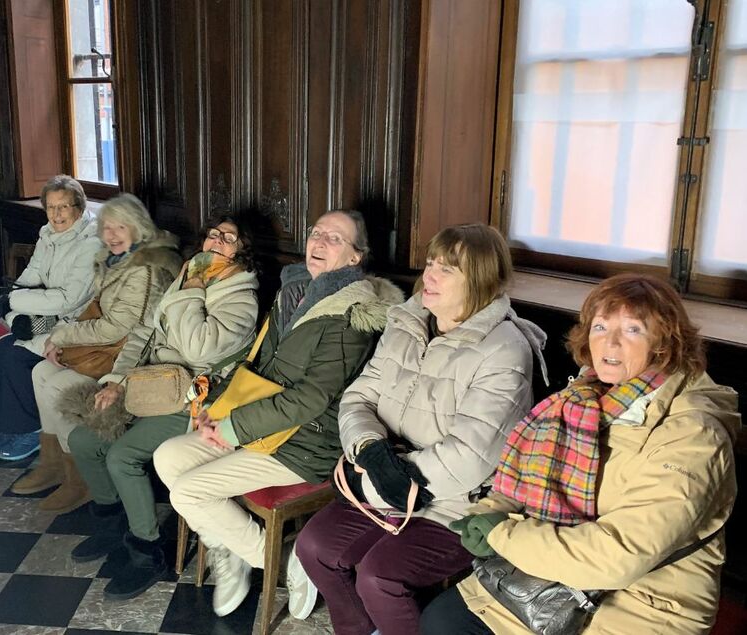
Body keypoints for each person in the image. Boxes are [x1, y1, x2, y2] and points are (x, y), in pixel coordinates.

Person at [420, 273, 741, 635]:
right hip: (552, 580)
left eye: (633, 330)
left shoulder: (693, 434)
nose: (611, 343)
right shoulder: (583, 397)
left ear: (664, 343)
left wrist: (503, 535)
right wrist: (491, 512)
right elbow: (527, 480)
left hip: (640, 604)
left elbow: (620, 554)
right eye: (601, 326)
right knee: (442, 619)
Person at [291, 223, 547, 634]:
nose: (428, 276)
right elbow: (359, 398)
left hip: (453, 501)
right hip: (381, 474)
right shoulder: (407, 322)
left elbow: (471, 456)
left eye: (446, 269)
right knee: (314, 547)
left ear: (479, 280)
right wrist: (371, 450)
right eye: (430, 263)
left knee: (380, 576)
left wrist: (397, 476)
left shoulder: (504, 351)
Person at [153, 210, 404, 617]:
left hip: (306, 442)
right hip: (263, 425)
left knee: (187, 492)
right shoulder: (296, 289)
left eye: (335, 239)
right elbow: (257, 367)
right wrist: (216, 409)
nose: (319, 242)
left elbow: (310, 399)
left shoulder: (353, 314)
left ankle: (286, 562)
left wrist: (232, 427)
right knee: (167, 456)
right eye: (316, 233)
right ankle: (234, 548)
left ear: (356, 257)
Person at [66, 213, 260, 600]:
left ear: (243, 254)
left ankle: (147, 549)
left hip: (192, 400)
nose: (215, 242)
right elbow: (143, 333)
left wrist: (190, 289)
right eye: (211, 235)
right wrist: (116, 383)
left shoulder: (241, 297)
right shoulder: (189, 276)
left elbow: (197, 349)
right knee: (83, 440)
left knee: (122, 456)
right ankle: (113, 521)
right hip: (147, 386)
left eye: (227, 238)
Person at [10, 193, 181, 513]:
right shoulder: (117, 258)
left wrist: (62, 334)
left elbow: (119, 328)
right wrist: (64, 340)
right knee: (39, 371)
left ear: (138, 229)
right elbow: (95, 313)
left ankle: (82, 478)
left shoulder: (144, 267)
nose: (112, 234)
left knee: (59, 385)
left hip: (134, 357)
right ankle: (55, 463)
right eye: (107, 227)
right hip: (104, 348)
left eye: (121, 228)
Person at [0, 175, 101, 461]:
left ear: (78, 207)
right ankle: (12, 428)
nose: (56, 214)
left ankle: (31, 431)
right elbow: (32, 276)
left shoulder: (91, 242)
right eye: (50, 207)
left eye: (63, 207)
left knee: (15, 357)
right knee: (0, 350)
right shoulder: (47, 234)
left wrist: (11, 300)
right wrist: (12, 300)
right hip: (45, 316)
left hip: (75, 323)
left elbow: (68, 299)